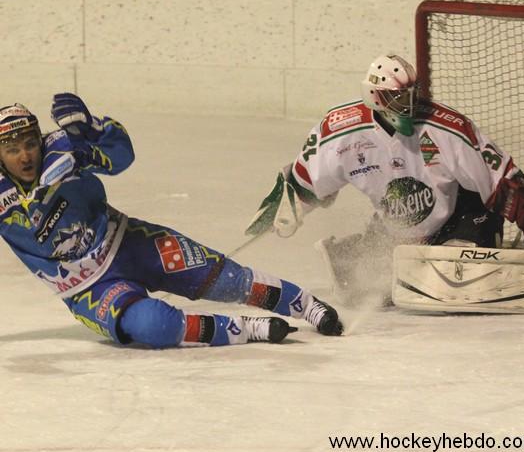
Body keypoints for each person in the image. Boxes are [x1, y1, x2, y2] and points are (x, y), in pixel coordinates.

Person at [0, 94, 343, 349]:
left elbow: (122, 156)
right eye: (12, 150)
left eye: (30, 144)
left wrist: (92, 131)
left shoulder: (62, 147)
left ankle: (305, 304)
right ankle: (246, 329)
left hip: (130, 243)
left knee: (226, 279)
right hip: (89, 289)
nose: (25, 156)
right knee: (154, 326)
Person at [247, 54, 524, 299]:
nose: (408, 104)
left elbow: (500, 179)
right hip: (397, 225)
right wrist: (289, 206)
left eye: (411, 94)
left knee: (457, 270)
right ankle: (355, 250)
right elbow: (305, 181)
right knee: (363, 284)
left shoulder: (446, 128)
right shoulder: (341, 131)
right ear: (375, 97)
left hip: (460, 215)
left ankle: (464, 245)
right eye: (398, 97)